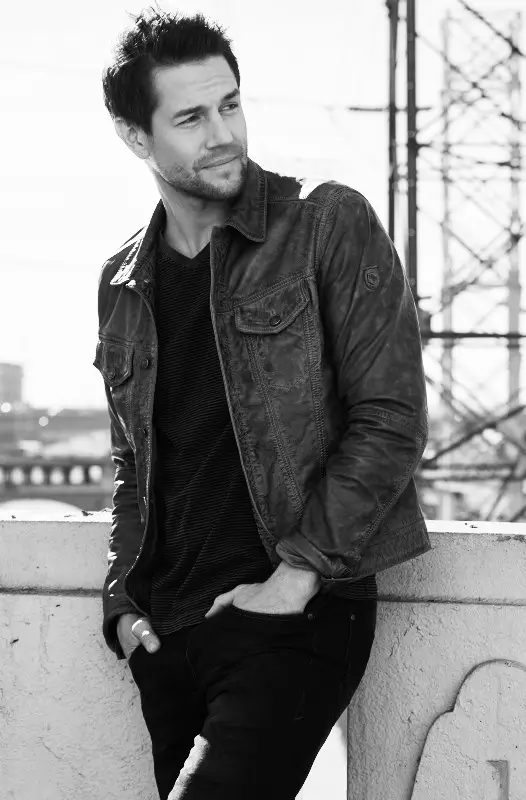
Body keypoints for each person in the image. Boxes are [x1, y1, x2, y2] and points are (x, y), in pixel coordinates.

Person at [95, 7, 430, 799]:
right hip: (169, 633)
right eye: (190, 117)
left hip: (293, 615)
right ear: (136, 137)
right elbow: (131, 464)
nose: (222, 133)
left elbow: (391, 418)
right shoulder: (122, 281)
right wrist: (121, 605)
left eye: (230, 104)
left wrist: (295, 580)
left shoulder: (322, 222)